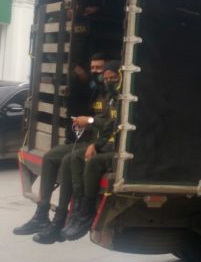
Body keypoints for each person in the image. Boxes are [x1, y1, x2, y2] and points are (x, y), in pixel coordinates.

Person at [12, 54, 106, 238]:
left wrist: (90, 121)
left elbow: (110, 123)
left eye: (99, 68)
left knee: (67, 161)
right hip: (88, 139)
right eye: (92, 68)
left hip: (101, 144)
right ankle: (41, 214)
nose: (95, 72)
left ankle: (61, 218)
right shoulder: (95, 89)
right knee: (50, 157)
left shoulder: (111, 93)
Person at [62, 60, 122, 241]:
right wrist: (96, 145)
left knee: (93, 161)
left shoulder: (123, 98)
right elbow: (109, 126)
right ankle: (76, 211)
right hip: (106, 143)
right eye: (106, 78)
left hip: (121, 149)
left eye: (113, 78)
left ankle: (86, 213)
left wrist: (90, 124)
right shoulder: (109, 96)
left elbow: (110, 125)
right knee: (73, 158)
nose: (108, 81)